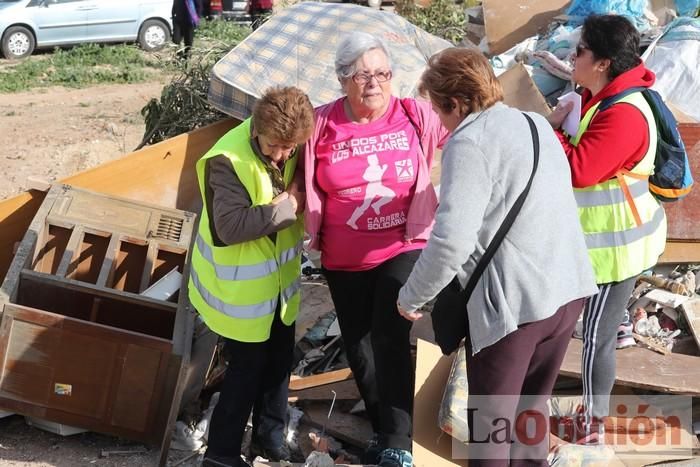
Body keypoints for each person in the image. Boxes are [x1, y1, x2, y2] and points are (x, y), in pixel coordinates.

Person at [396, 48, 598, 466]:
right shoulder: (533, 122)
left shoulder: (469, 143)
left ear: (454, 103)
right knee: (528, 421)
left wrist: (412, 297)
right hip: (566, 290)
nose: (440, 121)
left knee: (492, 435)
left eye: (438, 109)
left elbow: (451, 241)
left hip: (515, 309)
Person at [302, 32, 449, 467]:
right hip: (344, 258)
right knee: (359, 346)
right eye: (364, 75)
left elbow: (467, 127)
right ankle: (385, 429)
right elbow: (287, 163)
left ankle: (398, 443)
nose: (375, 83)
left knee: (388, 330)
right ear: (343, 79)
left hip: (404, 244)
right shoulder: (320, 124)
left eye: (383, 74)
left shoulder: (414, 114)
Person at [546, 14, 667, 443]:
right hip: (596, 245)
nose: (571, 57)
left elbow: (579, 169)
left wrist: (553, 131)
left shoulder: (626, 114)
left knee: (597, 339)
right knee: (588, 333)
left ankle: (592, 426)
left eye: (578, 51)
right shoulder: (602, 95)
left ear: (601, 62)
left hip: (616, 249)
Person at [188, 86, 314, 467]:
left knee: (278, 366)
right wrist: (288, 207)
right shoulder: (226, 159)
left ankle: (268, 442)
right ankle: (221, 455)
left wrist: (296, 184)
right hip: (239, 293)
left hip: (279, 290)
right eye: (276, 146)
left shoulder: (294, 144)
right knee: (244, 374)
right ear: (256, 129)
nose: (283, 155)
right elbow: (229, 226)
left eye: (290, 148)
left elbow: (305, 166)